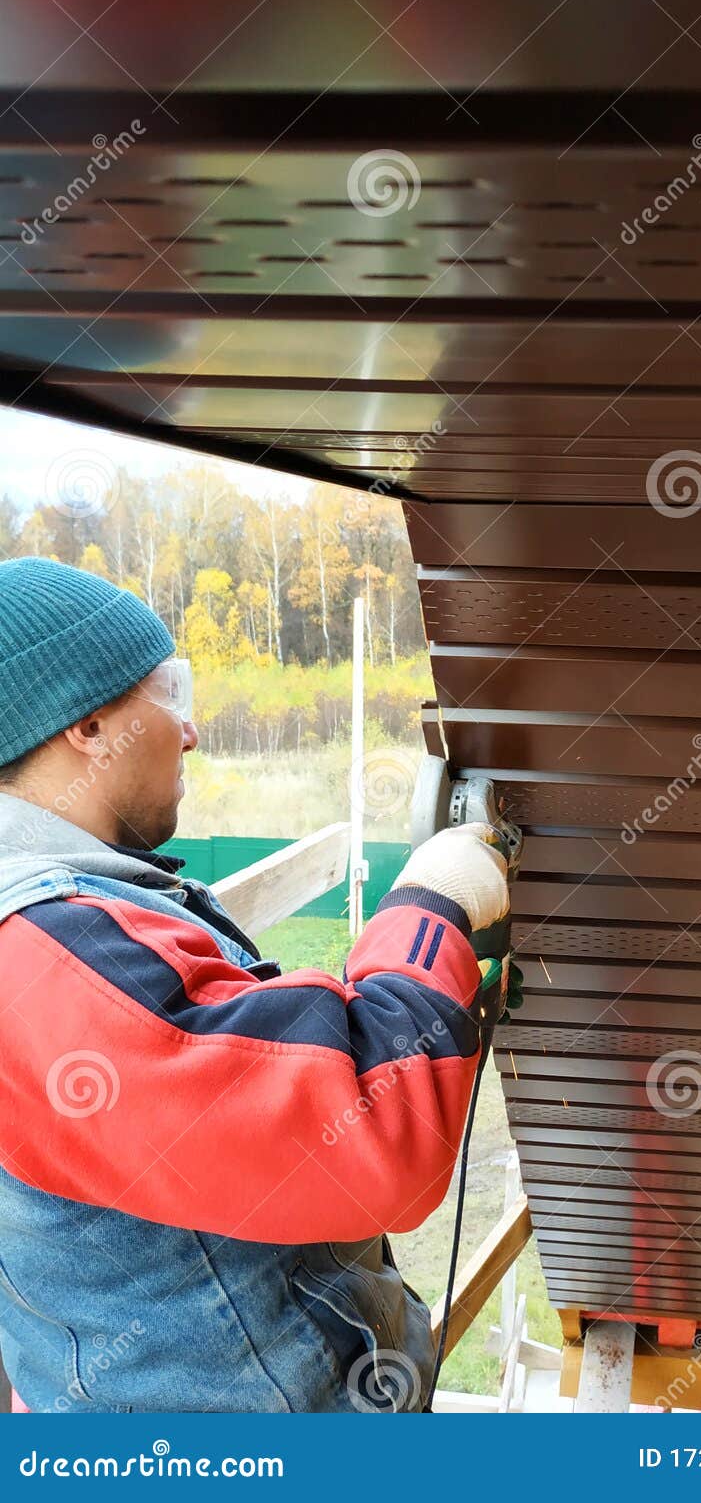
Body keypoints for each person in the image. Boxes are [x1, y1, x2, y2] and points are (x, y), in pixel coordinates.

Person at [0, 555, 511, 1412]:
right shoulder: (44, 950)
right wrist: (437, 905)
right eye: (168, 693)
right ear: (86, 725)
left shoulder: (77, 914)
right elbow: (368, 1132)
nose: (189, 730)